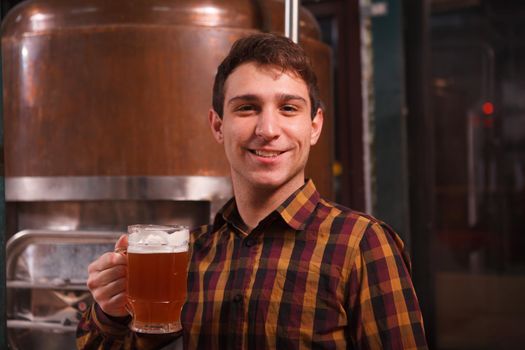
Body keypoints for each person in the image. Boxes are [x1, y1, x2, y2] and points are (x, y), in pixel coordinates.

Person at [77, 33, 428, 349]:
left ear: (314, 126)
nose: (268, 129)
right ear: (218, 125)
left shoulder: (362, 244)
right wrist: (112, 312)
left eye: (288, 108)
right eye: (247, 108)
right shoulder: (192, 255)